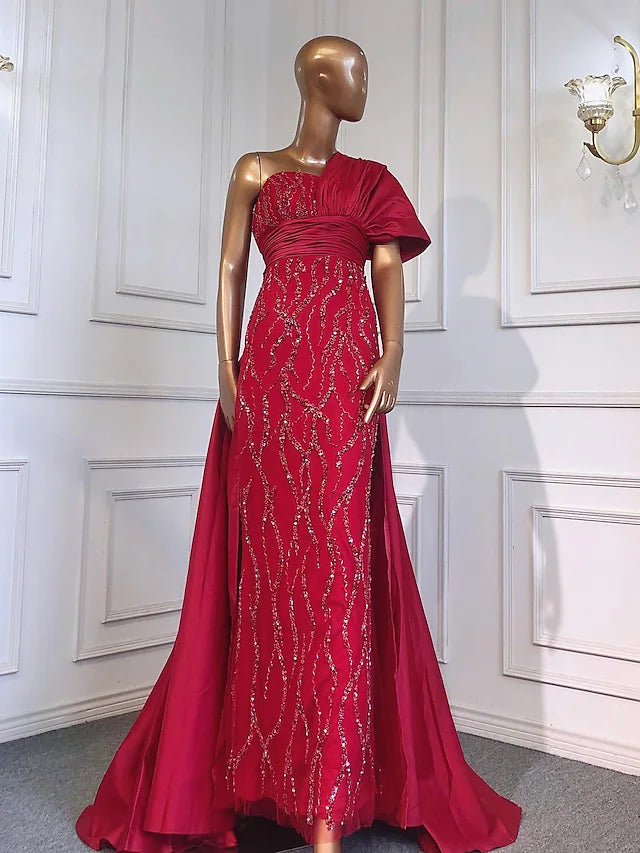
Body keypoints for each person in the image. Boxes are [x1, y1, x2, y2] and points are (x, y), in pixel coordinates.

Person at [75, 35, 522, 853]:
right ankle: (262, 778)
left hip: (345, 382)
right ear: (319, 80)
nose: (364, 85)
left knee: (338, 576)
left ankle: (328, 798)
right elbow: (229, 269)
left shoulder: (371, 181)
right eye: (355, 71)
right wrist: (224, 366)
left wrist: (394, 350)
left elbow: (387, 269)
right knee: (270, 571)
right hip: (271, 380)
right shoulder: (254, 170)